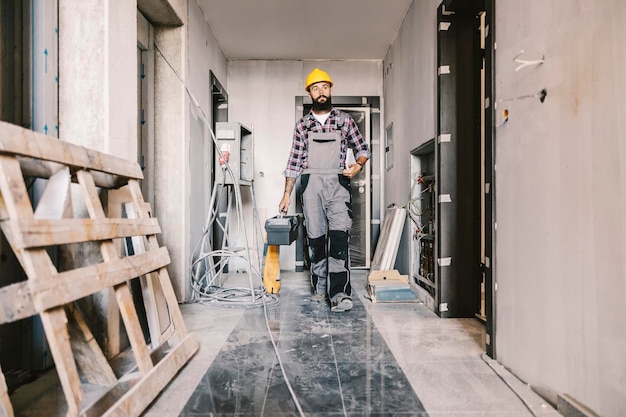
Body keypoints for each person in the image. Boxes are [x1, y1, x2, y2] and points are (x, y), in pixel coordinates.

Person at [278, 68, 371, 312]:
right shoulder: (303, 125)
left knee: (339, 237)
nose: (321, 92)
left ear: (330, 89)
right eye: (315, 88)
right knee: (316, 239)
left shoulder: (344, 120)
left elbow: (363, 149)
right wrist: (287, 193)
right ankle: (320, 287)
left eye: (325, 87)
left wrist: (357, 167)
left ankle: (339, 293)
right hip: (311, 187)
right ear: (309, 93)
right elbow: (294, 162)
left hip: (338, 185)